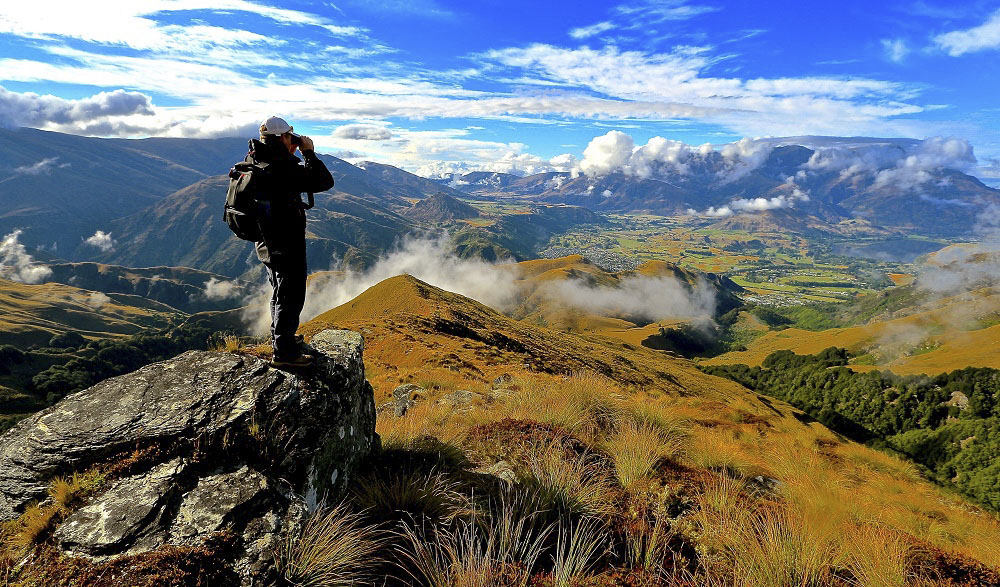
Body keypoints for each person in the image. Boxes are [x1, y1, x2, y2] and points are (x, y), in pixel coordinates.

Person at [250, 116, 334, 368]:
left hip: (265, 239)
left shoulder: (257, 158)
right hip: (286, 239)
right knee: (292, 294)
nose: (294, 139)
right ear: (282, 138)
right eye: (290, 135)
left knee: (279, 290)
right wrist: (309, 153)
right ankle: (284, 353)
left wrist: (292, 150)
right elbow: (323, 181)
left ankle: (281, 340)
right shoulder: (282, 167)